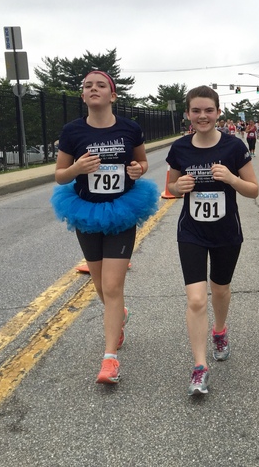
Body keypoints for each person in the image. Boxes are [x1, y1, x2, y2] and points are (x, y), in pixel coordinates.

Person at [50, 70, 159, 385]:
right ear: (83, 96)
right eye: (88, 85)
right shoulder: (73, 131)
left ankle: (110, 359)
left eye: (101, 85)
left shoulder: (130, 128)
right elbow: (59, 175)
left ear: (113, 95)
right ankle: (119, 315)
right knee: (99, 284)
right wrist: (76, 168)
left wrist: (138, 170)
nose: (93, 88)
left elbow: (142, 163)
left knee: (112, 287)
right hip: (86, 212)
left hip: (122, 211)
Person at [165, 85, 259, 396]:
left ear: (218, 112)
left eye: (208, 110)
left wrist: (231, 178)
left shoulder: (234, 147)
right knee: (196, 299)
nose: (202, 116)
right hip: (191, 232)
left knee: (219, 289)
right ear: (188, 114)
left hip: (226, 232)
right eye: (196, 111)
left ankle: (219, 330)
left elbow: (253, 189)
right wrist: (178, 186)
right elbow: (171, 187)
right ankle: (200, 367)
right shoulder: (180, 148)